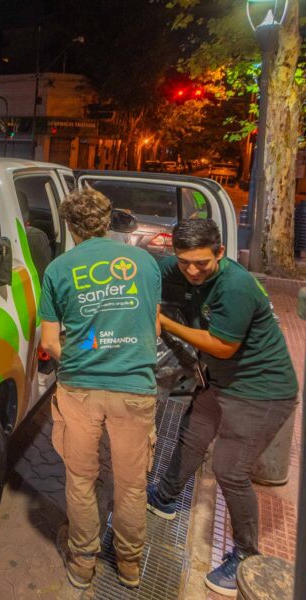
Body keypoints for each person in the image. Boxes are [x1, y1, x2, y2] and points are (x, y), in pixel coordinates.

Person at [146, 219, 298, 597]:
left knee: (230, 470)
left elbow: (222, 346)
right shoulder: (175, 267)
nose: (192, 271)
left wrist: (162, 321)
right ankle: (164, 498)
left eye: (202, 263)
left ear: (220, 253)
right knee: (192, 436)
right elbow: (143, 277)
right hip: (221, 382)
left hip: (261, 390)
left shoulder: (236, 286)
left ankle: (245, 555)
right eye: (184, 262)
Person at [40, 189, 161, 590]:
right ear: (108, 221)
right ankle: (129, 565)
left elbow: (50, 342)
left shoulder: (58, 269)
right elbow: (154, 327)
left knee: (81, 479)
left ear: (69, 226)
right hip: (134, 388)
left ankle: (82, 563)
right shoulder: (144, 263)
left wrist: (84, 355)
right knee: (131, 483)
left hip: (80, 389)